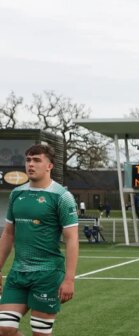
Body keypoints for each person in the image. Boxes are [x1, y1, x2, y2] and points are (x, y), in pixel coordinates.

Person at [0, 143, 79, 336]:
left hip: (47, 274)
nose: (31, 164)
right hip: (18, 273)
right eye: (28, 160)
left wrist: (69, 279)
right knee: (4, 329)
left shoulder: (62, 196)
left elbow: (71, 238)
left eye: (37, 160)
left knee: (40, 334)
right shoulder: (17, 193)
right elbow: (8, 234)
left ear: (49, 166)